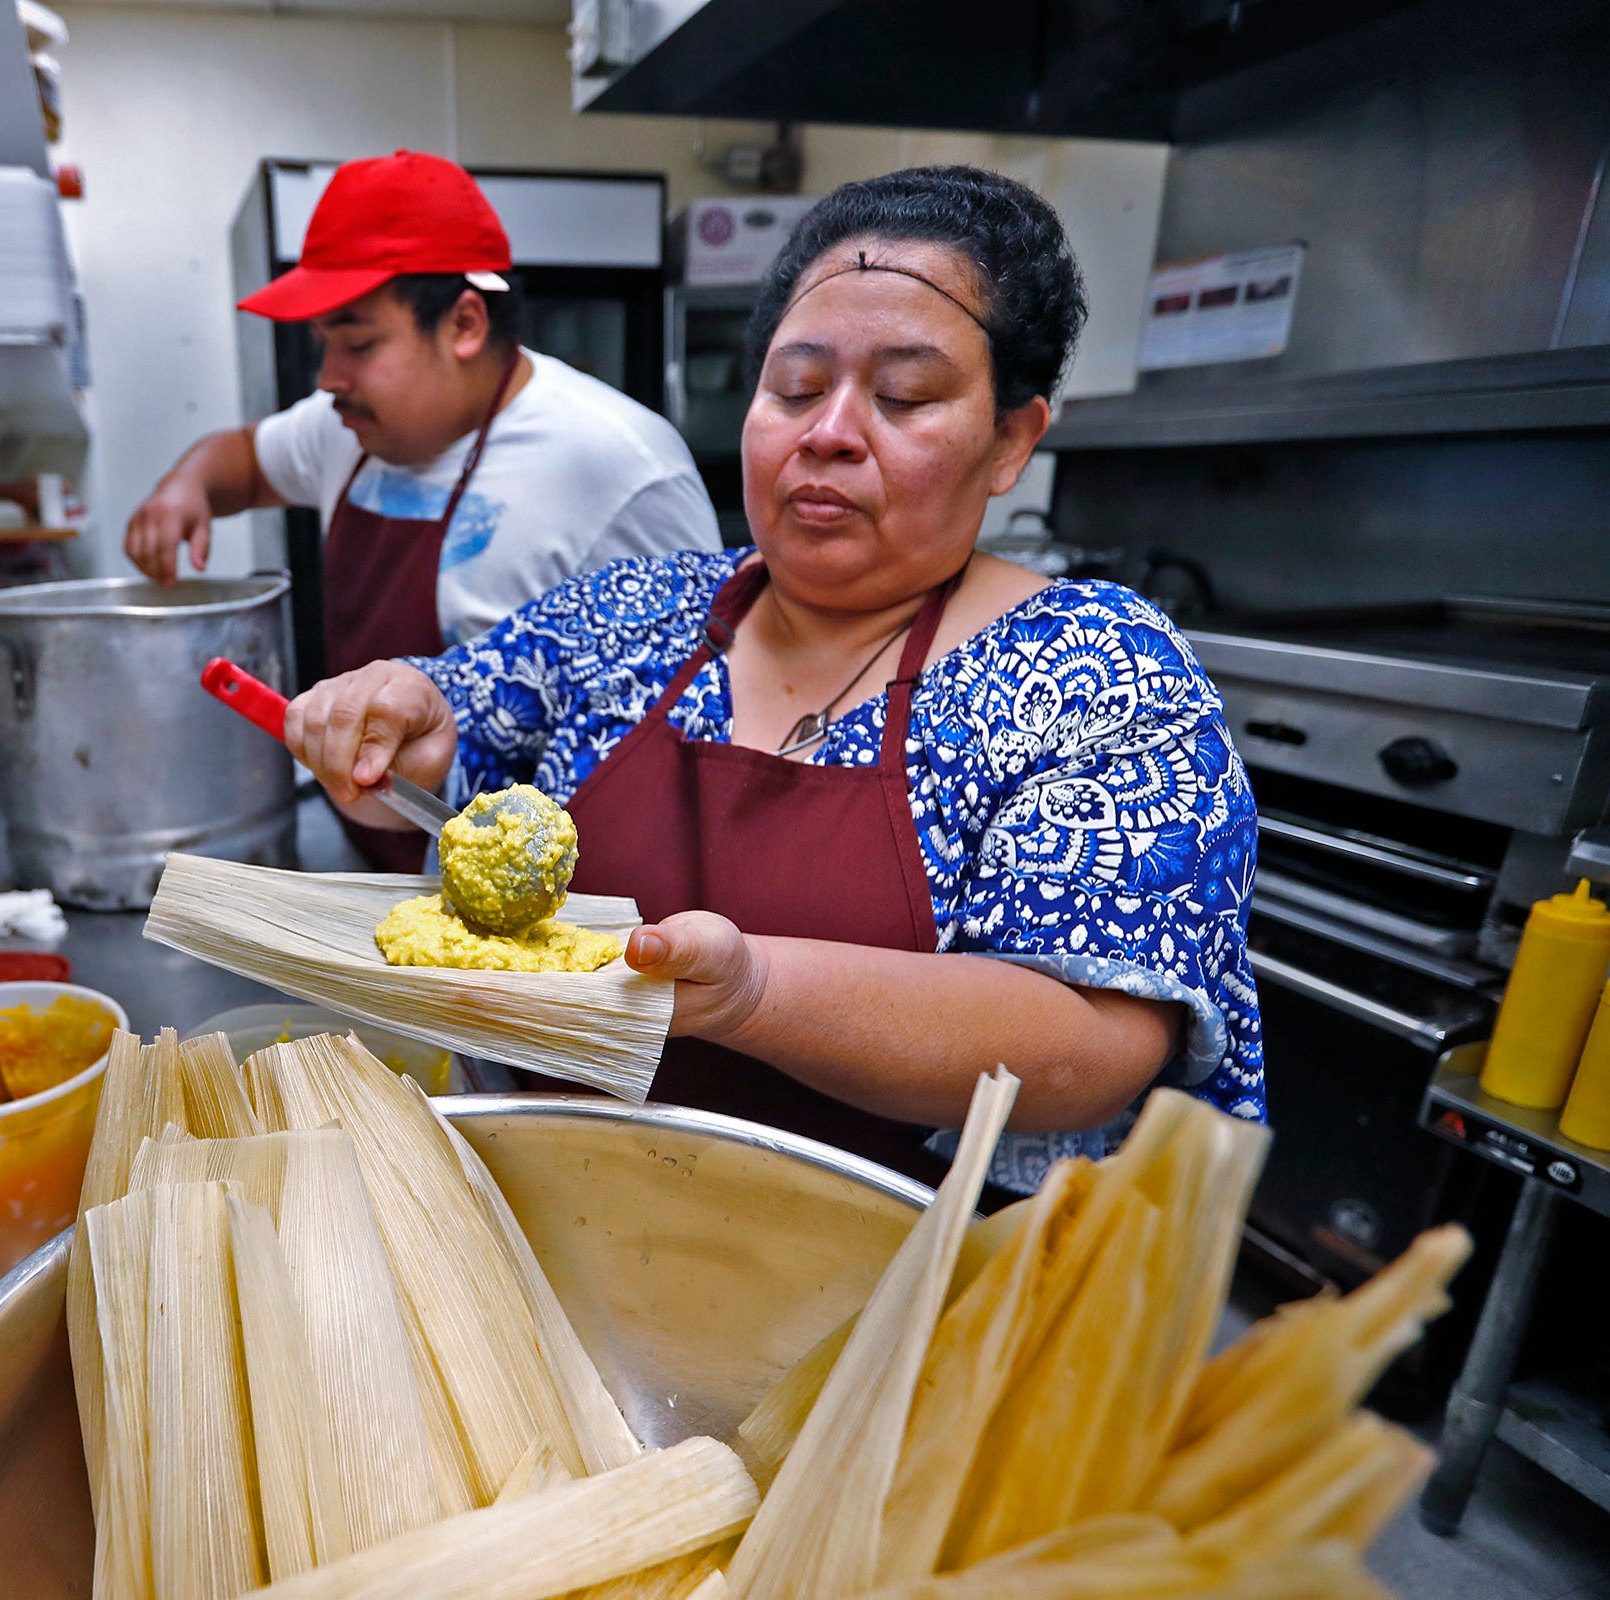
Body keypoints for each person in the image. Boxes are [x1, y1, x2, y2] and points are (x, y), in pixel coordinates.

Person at [284, 165, 1263, 1193]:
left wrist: (752, 992)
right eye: (793, 388)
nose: (826, 431)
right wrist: (407, 723)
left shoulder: (1096, 673)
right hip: (550, 1219)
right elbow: (461, 729)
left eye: (904, 396)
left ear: (1011, 439)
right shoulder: (632, 615)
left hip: (894, 1285)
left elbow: (1091, 1047)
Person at [125, 150, 720, 870]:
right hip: (370, 857)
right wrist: (185, 486)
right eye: (321, 345)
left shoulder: (620, 465)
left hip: (536, 905)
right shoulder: (343, 424)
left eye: (358, 343)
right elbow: (244, 460)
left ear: (465, 324)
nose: (327, 378)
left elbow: (698, 731)